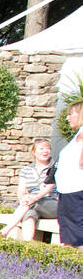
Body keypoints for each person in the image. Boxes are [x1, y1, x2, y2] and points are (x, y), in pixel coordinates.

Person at [0, 138, 57, 240]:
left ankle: (6, 230)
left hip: (53, 202)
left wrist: (33, 198)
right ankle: (27, 246)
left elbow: (50, 186)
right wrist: (23, 200)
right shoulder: (26, 169)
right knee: (29, 215)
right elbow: (21, 189)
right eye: (42, 148)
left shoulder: (56, 167)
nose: (45, 151)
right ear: (34, 152)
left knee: (31, 203)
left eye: (48, 148)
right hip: (33, 204)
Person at [58, 102, 83, 248]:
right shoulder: (78, 134)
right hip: (68, 190)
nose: (68, 118)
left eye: (71, 114)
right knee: (68, 231)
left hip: (76, 190)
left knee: (76, 232)